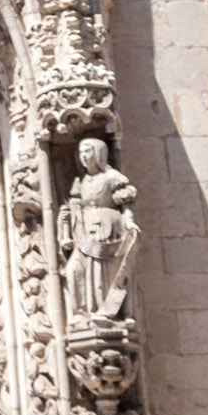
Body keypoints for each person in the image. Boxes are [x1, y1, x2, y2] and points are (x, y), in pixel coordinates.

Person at [58, 136, 139, 320]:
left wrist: (129, 222)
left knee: (101, 272)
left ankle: (105, 312)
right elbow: (74, 203)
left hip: (108, 228)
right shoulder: (81, 181)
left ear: (99, 153)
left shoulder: (111, 177)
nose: (84, 156)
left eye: (88, 151)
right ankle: (81, 312)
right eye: (81, 152)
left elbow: (126, 203)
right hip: (84, 232)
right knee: (73, 270)